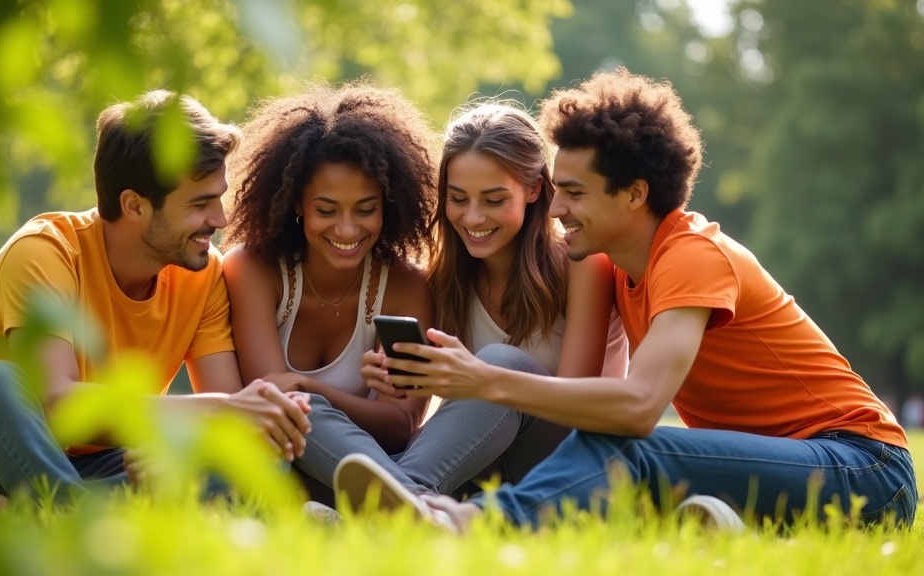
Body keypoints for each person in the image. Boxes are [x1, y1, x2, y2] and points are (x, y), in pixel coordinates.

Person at [336, 68, 916, 530]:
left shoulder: (691, 256)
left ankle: (467, 524)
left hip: (863, 465)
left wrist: (483, 379)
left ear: (635, 194)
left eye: (573, 192)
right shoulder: (621, 269)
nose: (555, 209)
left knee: (631, 450)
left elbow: (639, 407)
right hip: (774, 463)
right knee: (645, 483)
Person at [0, 90, 312, 504]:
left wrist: (188, 444)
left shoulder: (203, 276)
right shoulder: (44, 252)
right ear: (134, 206)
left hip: (81, 463)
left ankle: (37, 510)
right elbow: (56, 405)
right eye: (200, 203)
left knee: (250, 460)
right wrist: (219, 410)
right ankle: (76, 512)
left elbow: (231, 417)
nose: (219, 219)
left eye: (218, 197)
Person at [282, 100, 627, 508]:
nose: (473, 218)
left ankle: (401, 498)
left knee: (500, 362)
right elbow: (434, 413)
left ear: (534, 189)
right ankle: (411, 504)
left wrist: (476, 378)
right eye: (458, 198)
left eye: (493, 200)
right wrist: (403, 378)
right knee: (303, 408)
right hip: (478, 475)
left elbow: (576, 411)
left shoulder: (583, 265)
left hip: (566, 469)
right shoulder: (443, 280)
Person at [219, 83, 437, 502]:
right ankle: (418, 506)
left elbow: (401, 426)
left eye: (366, 209)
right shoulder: (253, 270)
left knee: (301, 398)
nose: (348, 229)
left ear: (388, 204)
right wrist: (306, 394)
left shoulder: (407, 286)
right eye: (326, 210)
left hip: (384, 465)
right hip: (283, 469)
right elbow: (272, 399)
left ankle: (403, 503)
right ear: (296, 204)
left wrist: (311, 387)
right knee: (295, 404)